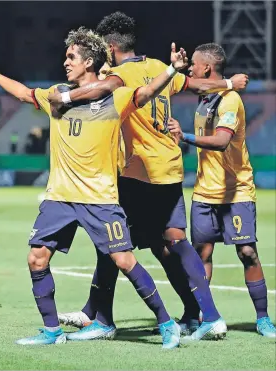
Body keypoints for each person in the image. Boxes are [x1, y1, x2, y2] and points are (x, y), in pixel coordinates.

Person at [0, 27, 192, 349]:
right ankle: (52, 331)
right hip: (59, 196)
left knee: (124, 261)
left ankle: (167, 323)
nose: (65, 62)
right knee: (37, 259)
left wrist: (171, 70)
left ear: (89, 61)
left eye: (71, 57)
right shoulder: (56, 96)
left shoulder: (115, 98)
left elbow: (145, 94)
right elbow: (24, 94)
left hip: (99, 198)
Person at [51, 12, 248, 341]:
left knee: (111, 243)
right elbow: (197, 84)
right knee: (171, 243)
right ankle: (207, 316)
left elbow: (103, 88)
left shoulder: (119, 74)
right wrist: (228, 83)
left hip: (139, 173)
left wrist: (67, 96)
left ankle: (101, 319)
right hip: (169, 169)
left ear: (111, 47)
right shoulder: (160, 67)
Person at [167, 43, 276, 339]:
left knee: (247, 252)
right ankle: (199, 316)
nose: (191, 69)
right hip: (204, 191)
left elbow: (221, 141)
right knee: (201, 255)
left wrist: (184, 136)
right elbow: (181, 82)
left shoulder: (229, 101)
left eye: (195, 65)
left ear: (206, 68)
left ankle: (264, 319)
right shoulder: (203, 97)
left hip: (235, 191)